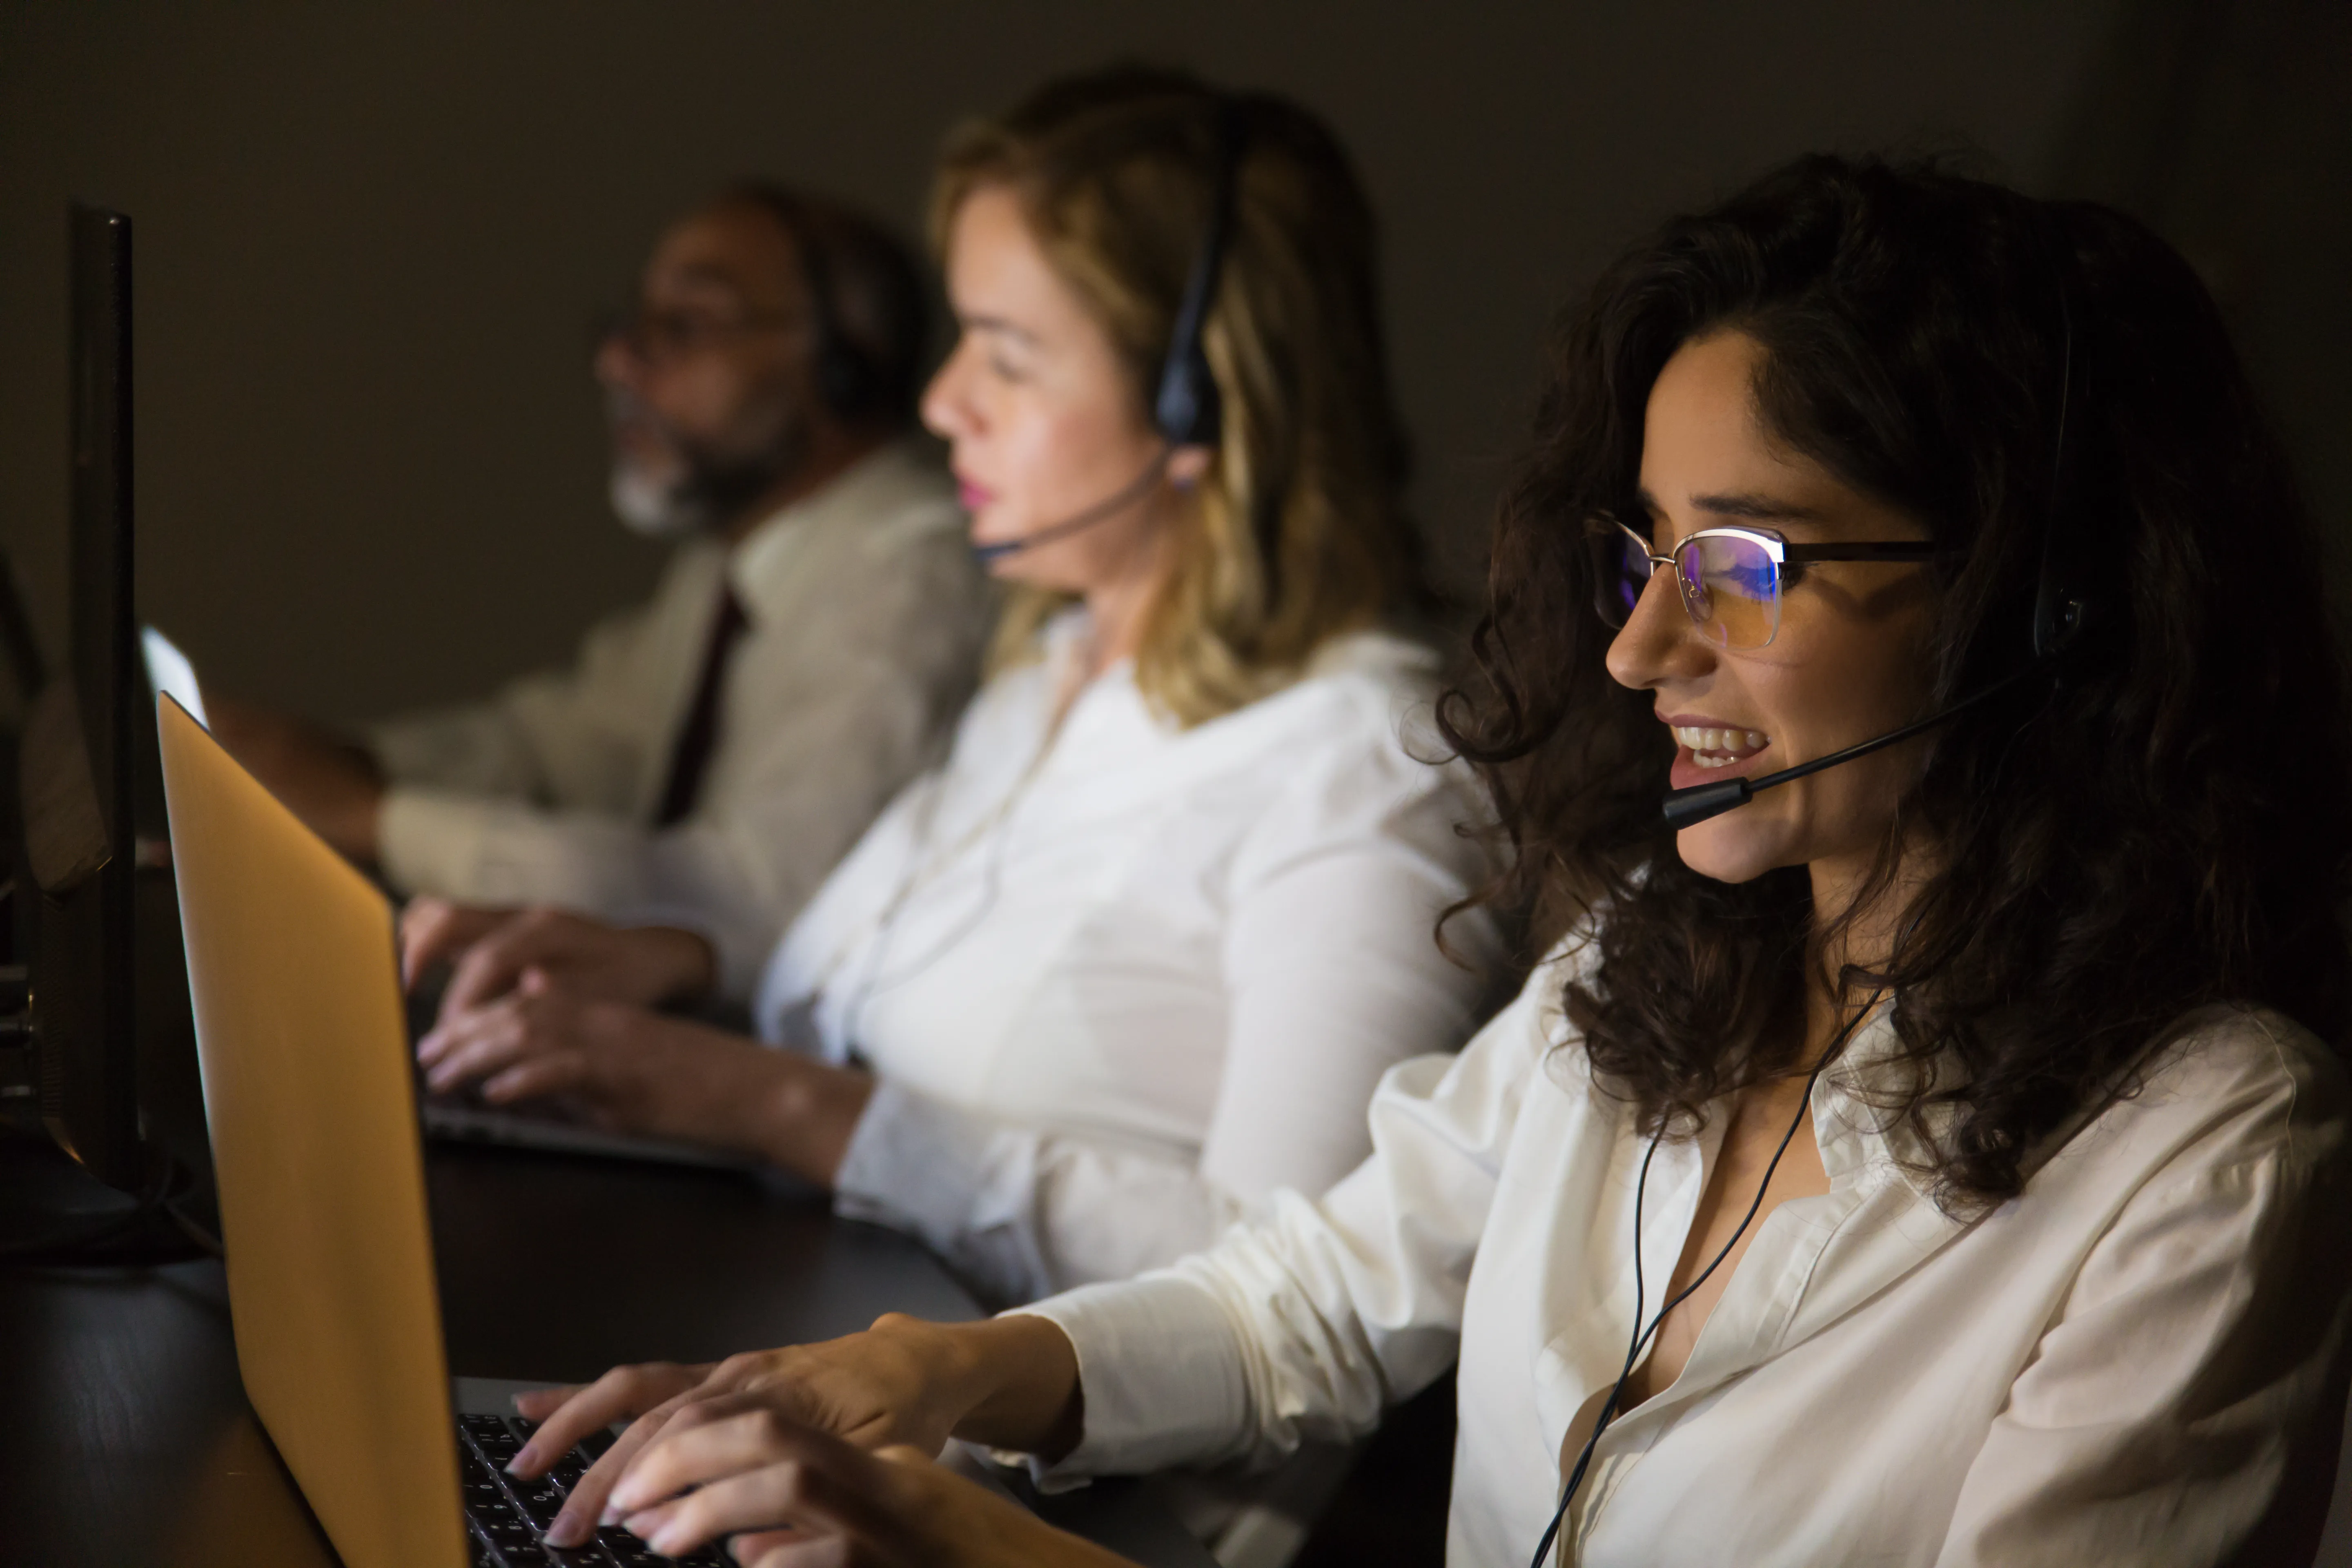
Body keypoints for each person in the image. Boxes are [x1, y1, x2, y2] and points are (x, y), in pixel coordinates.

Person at [496, 156, 2352, 1567]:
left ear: (2041, 615)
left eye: (1751, 567)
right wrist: (910, 1379)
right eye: (1645, 557)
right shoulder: (1668, 955)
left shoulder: (2207, 1158)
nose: (1637, 655)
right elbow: (1301, 1295)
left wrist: (960, 1539)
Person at [402, 69, 1499, 1316]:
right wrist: (673, 971)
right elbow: (885, 1027)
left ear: (1200, 401)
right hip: (814, 1368)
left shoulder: (1367, 765)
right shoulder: (1049, 673)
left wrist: (777, 1104)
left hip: (1053, 1499)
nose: (939, 402)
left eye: (1010, 357)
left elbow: (1305, 1295)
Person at [211, 187, 994, 995]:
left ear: (844, 365)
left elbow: (747, 902)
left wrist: (374, 818)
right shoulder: (731, 569)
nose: (618, 361)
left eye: (684, 327)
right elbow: (559, 747)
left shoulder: (912, 577)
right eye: (631, 325)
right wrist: (312, 767)